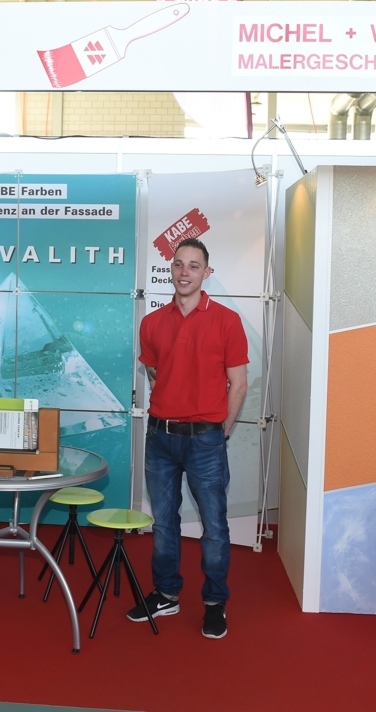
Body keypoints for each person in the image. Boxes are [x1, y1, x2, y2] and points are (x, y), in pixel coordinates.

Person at [129, 237, 248, 639]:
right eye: (178, 264)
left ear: (206, 273)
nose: (184, 272)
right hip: (160, 439)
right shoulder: (152, 323)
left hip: (205, 442)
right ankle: (166, 594)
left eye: (194, 266)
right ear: (171, 269)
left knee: (214, 527)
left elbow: (238, 384)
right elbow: (155, 373)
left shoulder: (227, 321)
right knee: (164, 523)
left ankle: (215, 603)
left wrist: (220, 429)